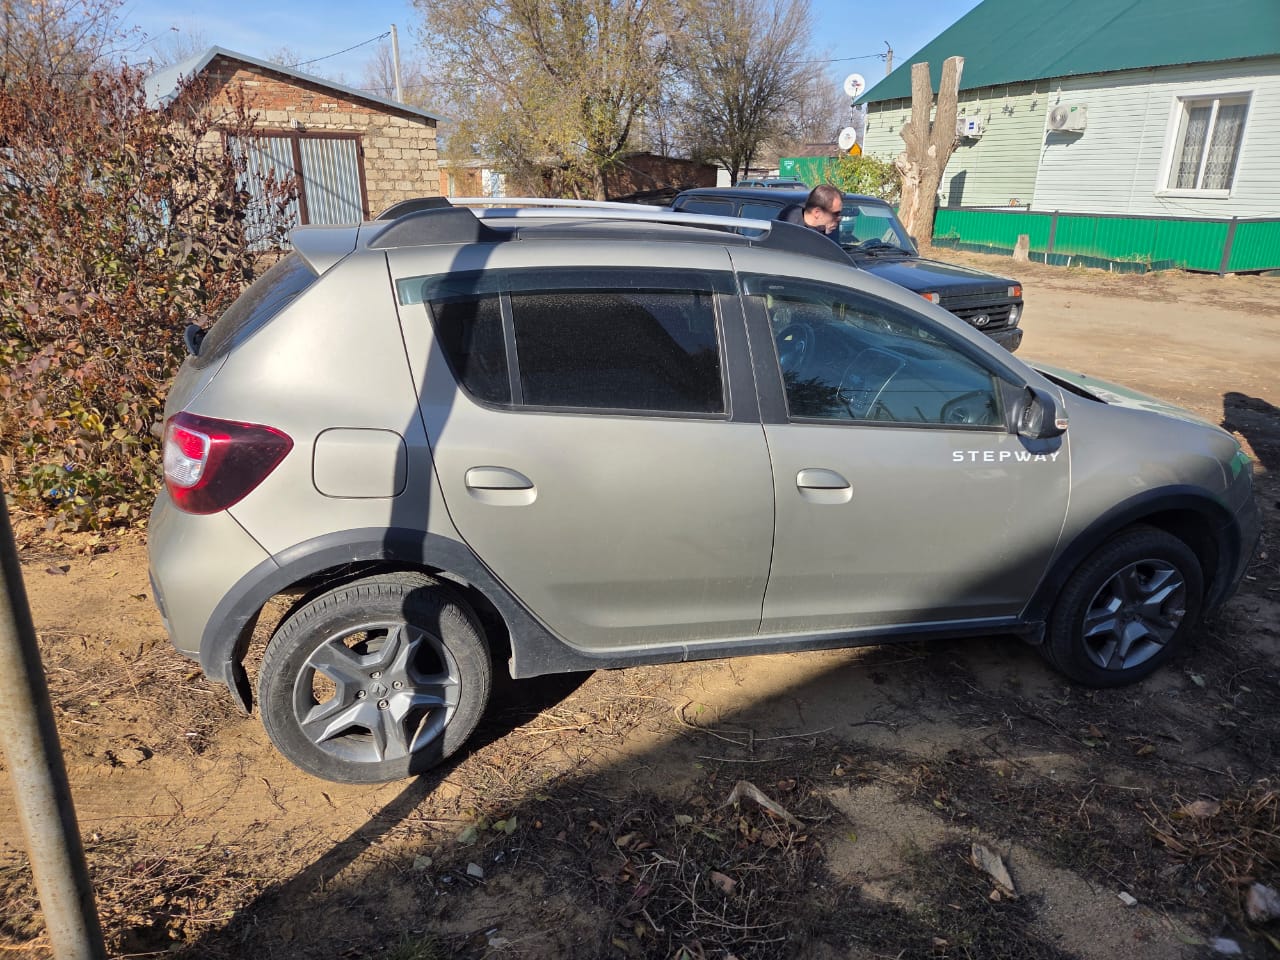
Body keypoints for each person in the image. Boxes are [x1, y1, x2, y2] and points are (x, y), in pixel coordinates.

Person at [775, 184, 843, 241]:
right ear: (817, 213)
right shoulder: (789, 226)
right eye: (836, 213)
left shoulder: (823, 228)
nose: (839, 218)